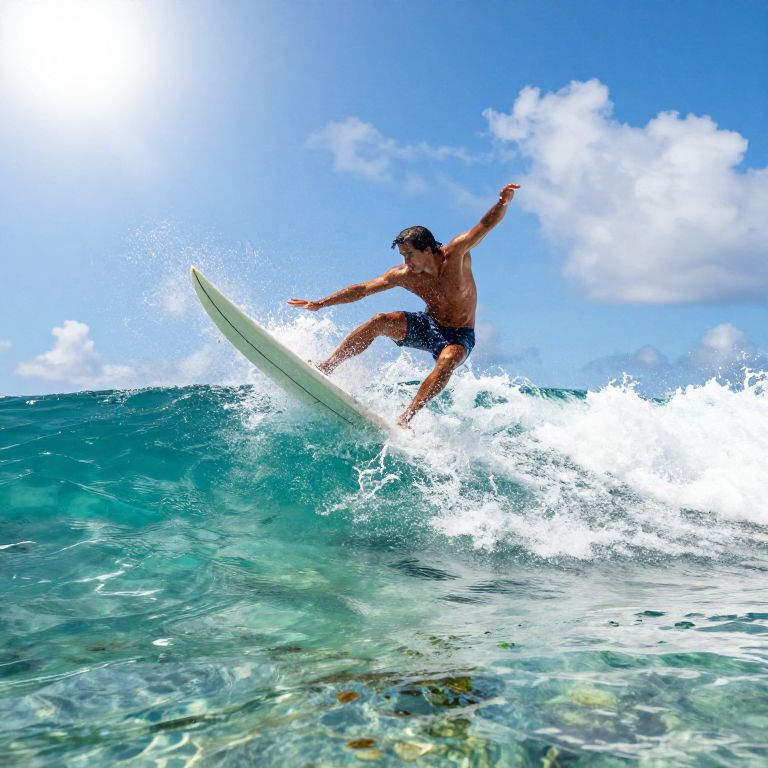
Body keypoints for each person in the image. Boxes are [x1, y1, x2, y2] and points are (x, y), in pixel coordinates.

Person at [288, 182, 521, 427]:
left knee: (447, 361)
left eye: (409, 254)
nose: (406, 261)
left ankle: (405, 419)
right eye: (402, 256)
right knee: (379, 321)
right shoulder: (405, 275)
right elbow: (363, 289)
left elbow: (485, 225)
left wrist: (502, 202)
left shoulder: (456, 254)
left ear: (428, 249)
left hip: (459, 335)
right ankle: (327, 367)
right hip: (428, 324)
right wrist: (320, 303)